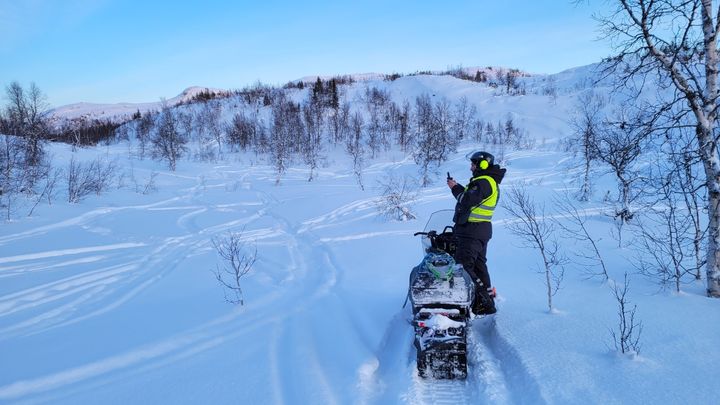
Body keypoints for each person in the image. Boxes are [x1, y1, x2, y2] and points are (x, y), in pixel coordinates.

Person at [447, 151, 506, 315]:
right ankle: (486, 302)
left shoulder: (484, 182)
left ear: (483, 164)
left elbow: (466, 200)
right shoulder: (486, 182)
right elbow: (470, 199)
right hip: (477, 230)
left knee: (464, 267)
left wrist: (454, 188)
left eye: (473, 164)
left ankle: (482, 302)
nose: (471, 167)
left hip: (472, 231)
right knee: (479, 267)